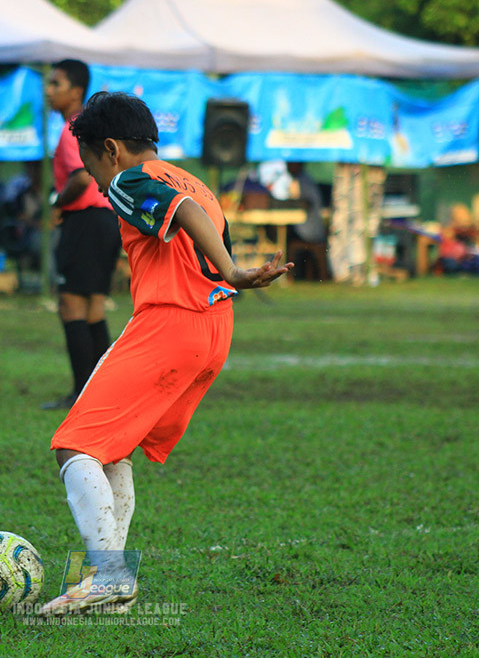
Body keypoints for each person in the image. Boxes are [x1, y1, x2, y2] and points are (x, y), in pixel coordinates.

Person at [38, 92, 292, 617]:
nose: (89, 173)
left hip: (170, 323)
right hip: (213, 330)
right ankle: (111, 587)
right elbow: (192, 208)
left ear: (110, 149)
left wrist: (235, 272)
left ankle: (109, 577)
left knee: (73, 447)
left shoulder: (128, 179)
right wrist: (230, 276)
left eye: (86, 158)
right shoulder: (190, 176)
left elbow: (185, 214)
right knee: (111, 449)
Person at [42, 59, 122, 410]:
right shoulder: (83, 127)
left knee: (71, 304)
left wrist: (57, 204)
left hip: (85, 221)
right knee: (92, 308)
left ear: (76, 91)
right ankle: (98, 393)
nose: (48, 90)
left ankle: (81, 394)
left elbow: (80, 177)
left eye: (55, 84)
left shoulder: (72, 128)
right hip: (104, 220)